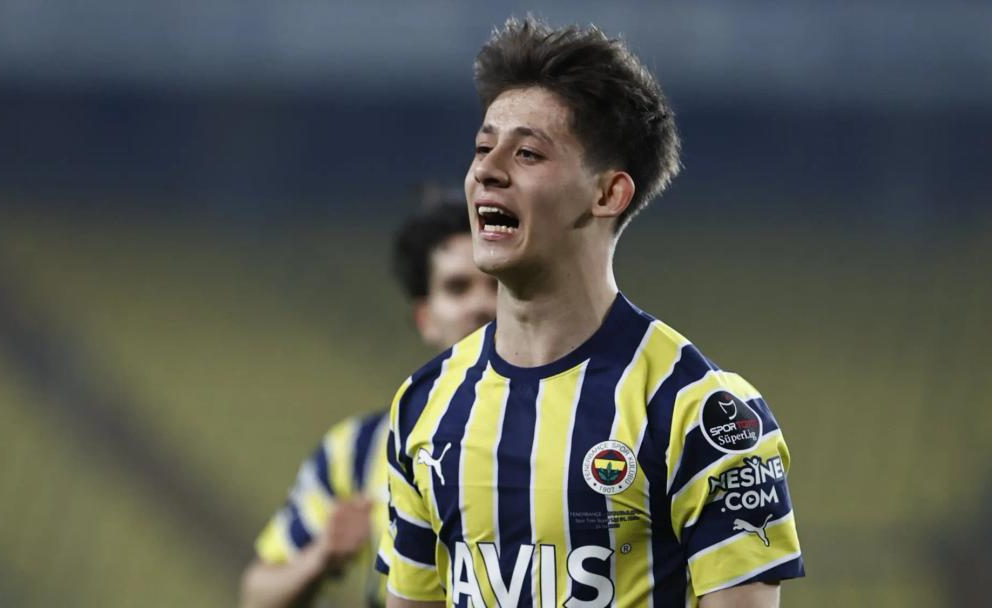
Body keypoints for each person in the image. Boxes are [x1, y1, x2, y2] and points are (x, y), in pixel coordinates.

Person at [378, 17, 804, 608]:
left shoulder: (702, 414)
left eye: (527, 153)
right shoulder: (425, 405)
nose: (486, 170)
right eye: (482, 147)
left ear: (607, 194)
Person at [240, 198, 497, 608]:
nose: (482, 305)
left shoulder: (584, 428)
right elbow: (256, 595)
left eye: (498, 284)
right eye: (457, 287)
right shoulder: (358, 451)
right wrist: (320, 556)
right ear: (425, 318)